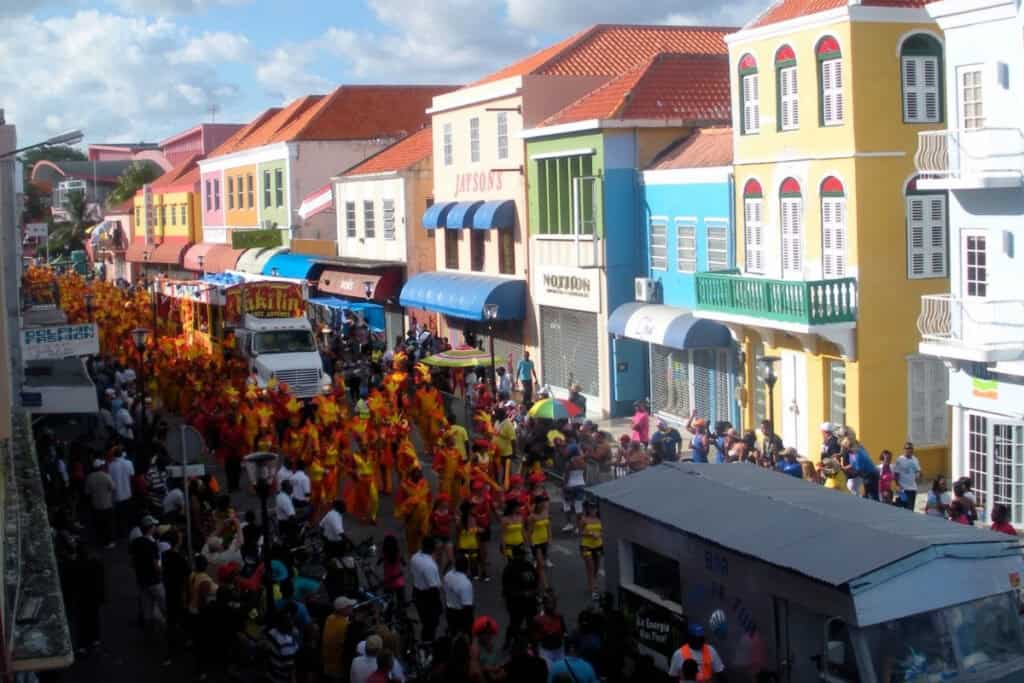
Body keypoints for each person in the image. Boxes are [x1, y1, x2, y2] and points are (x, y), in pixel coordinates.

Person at [502, 544, 540, 647]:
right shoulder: (510, 569)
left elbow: (536, 581)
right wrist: (524, 594)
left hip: (527, 602)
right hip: (517, 602)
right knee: (516, 624)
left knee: (526, 623)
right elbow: (508, 590)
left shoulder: (527, 566)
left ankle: (531, 641)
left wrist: (534, 592)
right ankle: (511, 642)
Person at [411, 537, 443, 643]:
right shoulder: (429, 566)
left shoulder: (415, 557)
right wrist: (438, 605)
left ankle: (426, 642)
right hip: (428, 597)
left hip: (417, 592)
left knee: (426, 623)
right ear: (433, 548)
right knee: (431, 624)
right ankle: (428, 644)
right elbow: (434, 587)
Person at [323, 596, 356, 682]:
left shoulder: (329, 618)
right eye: (349, 607)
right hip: (338, 668)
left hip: (327, 665)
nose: (352, 607)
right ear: (343, 610)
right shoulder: (346, 625)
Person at [264, 605, 301, 683]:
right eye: (291, 619)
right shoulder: (287, 643)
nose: (293, 620)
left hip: (271, 675)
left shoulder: (271, 632)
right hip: (281, 678)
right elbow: (291, 670)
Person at [85, 460, 116, 548]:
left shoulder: (89, 477)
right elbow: (113, 488)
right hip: (107, 504)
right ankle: (109, 541)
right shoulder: (106, 476)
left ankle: (101, 540)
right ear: (101, 467)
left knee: (99, 524)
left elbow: (87, 492)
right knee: (108, 524)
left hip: (96, 505)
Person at [532, 590, 567, 668]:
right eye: (548, 603)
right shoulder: (538, 620)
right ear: (544, 605)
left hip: (559, 650)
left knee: (561, 671)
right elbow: (534, 639)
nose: (551, 605)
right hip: (546, 651)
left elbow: (564, 632)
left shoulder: (559, 617)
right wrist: (536, 654)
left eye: (553, 603)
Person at [444, 554, 474, 637]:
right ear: (467, 567)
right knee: (464, 637)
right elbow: (467, 607)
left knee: (452, 633)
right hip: (461, 614)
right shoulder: (465, 583)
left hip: (449, 610)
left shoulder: (448, 575)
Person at [108, 450, 135, 538]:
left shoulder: (111, 465)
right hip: (128, 494)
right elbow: (132, 476)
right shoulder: (129, 463)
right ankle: (128, 532)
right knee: (127, 514)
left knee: (118, 517)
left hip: (116, 495)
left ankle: (121, 533)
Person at [469, 616, 504, 682]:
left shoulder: (494, 647)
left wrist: (498, 670)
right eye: (485, 633)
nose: (489, 636)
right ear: (479, 634)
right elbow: (476, 669)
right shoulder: (475, 649)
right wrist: (490, 670)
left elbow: (498, 663)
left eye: (490, 633)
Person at [528, 495, 552, 587]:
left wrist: (550, 539)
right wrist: (530, 544)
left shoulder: (546, 513)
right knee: (541, 564)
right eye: (541, 503)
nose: (543, 505)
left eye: (544, 503)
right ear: (537, 504)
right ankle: (546, 586)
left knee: (539, 565)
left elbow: (548, 527)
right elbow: (529, 531)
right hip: (536, 541)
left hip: (545, 541)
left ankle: (536, 582)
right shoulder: (532, 517)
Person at [893, 442, 921, 511]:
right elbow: (896, 474)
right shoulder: (900, 459)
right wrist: (897, 485)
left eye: (911, 448)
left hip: (913, 489)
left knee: (910, 510)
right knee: (901, 509)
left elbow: (918, 471)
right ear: (904, 449)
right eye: (908, 448)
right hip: (903, 489)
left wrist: (919, 474)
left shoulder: (915, 459)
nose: (910, 450)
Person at [276, 480, 298, 545]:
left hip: (282, 523)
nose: (292, 489)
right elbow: (292, 516)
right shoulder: (285, 500)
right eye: (291, 487)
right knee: (292, 543)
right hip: (287, 525)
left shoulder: (280, 495)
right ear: (287, 488)